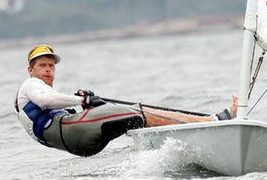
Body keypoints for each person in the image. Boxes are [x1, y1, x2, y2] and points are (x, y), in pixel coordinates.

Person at [14, 44, 238, 157]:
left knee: (138, 117)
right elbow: (45, 101)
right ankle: (212, 122)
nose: (48, 70)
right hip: (71, 134)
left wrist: (89, 104)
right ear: (30, 70)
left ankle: (198, 130)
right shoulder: (31, 85)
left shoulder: (43, 90)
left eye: (51, 66)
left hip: (77, 141)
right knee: (139, 112)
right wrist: (80, 101)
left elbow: (52, 105)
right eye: (42, 65)